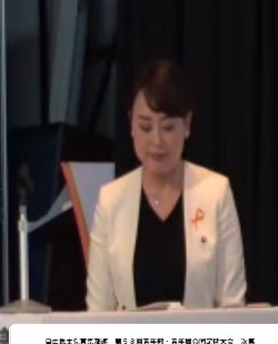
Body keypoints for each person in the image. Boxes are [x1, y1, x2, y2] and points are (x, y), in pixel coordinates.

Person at [86, 59, 246, 310]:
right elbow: (98, 311)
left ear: (187, 124)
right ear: (131, 124)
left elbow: (233, 306)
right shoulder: (111, 199)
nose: (157, 141)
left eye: (168, 127)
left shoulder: (215, 192)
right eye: (145, 126)